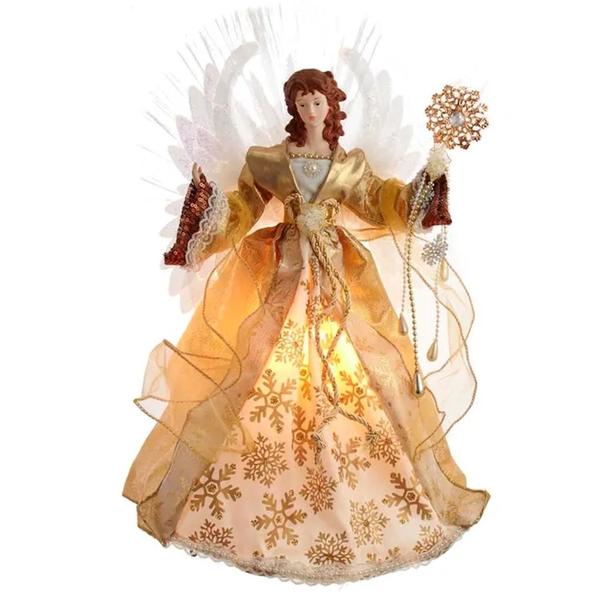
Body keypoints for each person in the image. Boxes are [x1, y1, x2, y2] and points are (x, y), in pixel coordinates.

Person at [123, 68, 490, 585]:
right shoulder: (269, 162)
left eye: (318, 102)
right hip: (286, 271)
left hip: (340, 273)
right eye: (301, 103)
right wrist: (211, 209)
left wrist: (427, 180)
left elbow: (384, 204)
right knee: (258, 360)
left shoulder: (350, 166)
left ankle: (378, 484)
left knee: (368, 362)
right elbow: (242, 209)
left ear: (330, 107)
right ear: (293, 108)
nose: (310, 111)